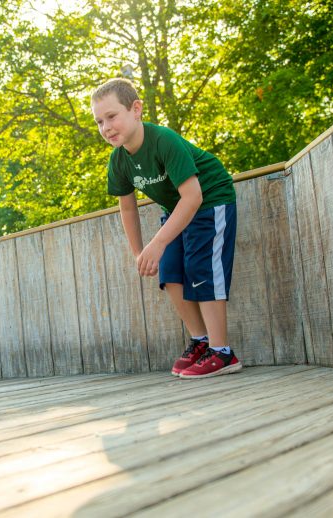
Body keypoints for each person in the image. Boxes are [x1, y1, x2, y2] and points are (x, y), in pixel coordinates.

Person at [91, 77, 241, 379]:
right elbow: (128, 207)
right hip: (177, 209)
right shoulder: (118, 160)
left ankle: (222, 352)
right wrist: (139, 252)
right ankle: (200, 341)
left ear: (136, 110)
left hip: (210, 199)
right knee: (170, 271)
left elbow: (194, 195)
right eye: (98, 122)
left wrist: (157, 242)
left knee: (202, 270)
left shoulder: (163, 140)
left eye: (111, 116)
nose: (106, 128)